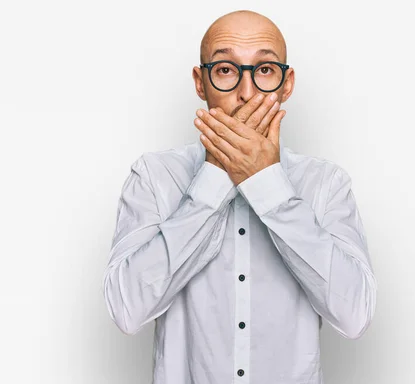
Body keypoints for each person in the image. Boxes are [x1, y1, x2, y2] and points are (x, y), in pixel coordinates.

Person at [102, 9, 377, 384]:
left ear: (287, 84)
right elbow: (126, 309)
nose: (247, 93)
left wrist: (268, 183)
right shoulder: (153, 176)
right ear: (201, 83)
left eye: (264, 70)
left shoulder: (326, 182)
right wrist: (214, 178)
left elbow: (355, 315)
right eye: (226, 70)